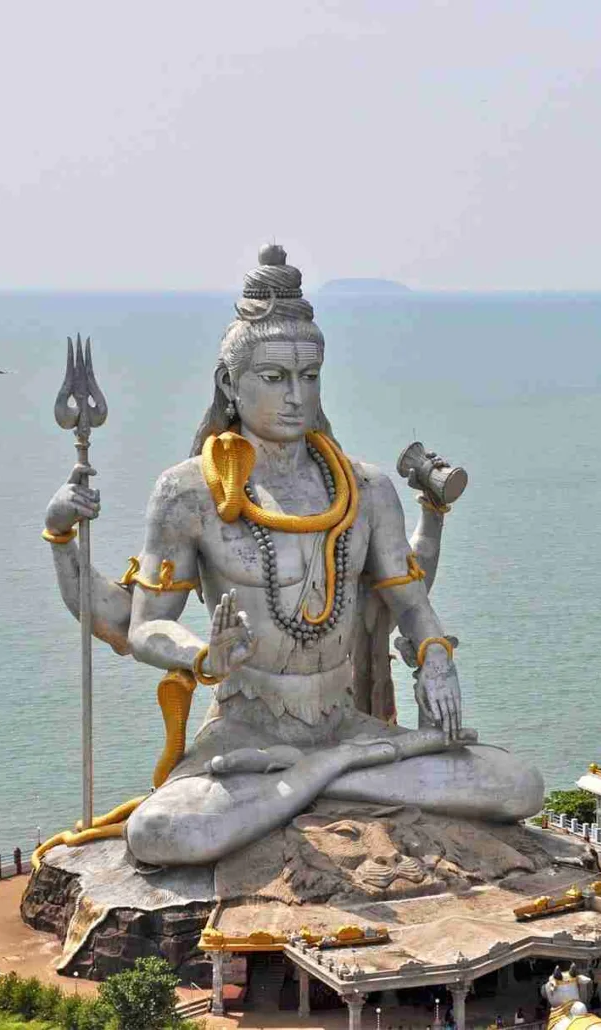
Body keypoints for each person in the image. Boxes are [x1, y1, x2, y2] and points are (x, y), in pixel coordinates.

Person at [42, 245, 544, 867]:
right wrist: (203, 654)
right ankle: (335, 776)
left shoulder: (366, 487)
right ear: (231, 382)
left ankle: (320, 774)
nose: (295, 396)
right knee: (165, 831)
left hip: (345, 723)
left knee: (519, 784)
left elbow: (410, 604)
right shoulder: (189, 490)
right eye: (274, 378)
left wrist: (435, 657)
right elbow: (144, 625)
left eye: (309, 378)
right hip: (246, 733)